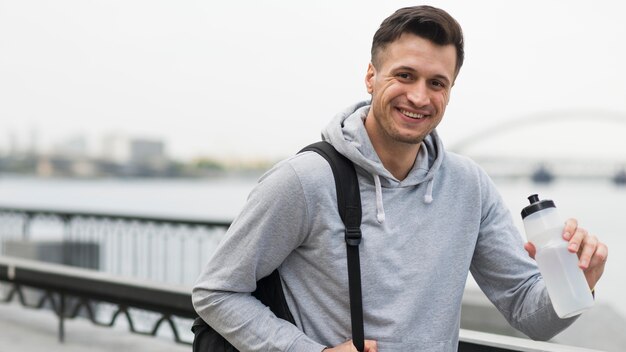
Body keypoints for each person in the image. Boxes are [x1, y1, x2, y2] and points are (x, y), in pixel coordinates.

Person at [192, 5, 608, 352]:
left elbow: (527, 312)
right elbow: (217, 291)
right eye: (404, 75)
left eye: (437, 83)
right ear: (371, 76)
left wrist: (576, 284)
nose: (419, 97)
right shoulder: (303, 181)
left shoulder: (469, 186)